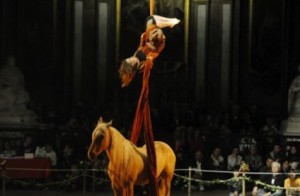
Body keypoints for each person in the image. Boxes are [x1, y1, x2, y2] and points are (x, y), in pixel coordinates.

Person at [118, 15, 180, 87]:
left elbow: (140, 47)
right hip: (156, 45)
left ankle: (170, 22)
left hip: (149, 40)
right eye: (131, 60)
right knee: (153, 28)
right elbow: (153, 57)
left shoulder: (135, 55)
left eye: (129, 58)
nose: (131, 57)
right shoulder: (142, 66)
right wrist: (152, 47)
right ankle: (170, 22)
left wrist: (142, 39)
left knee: (150, 19)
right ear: (133, 65)